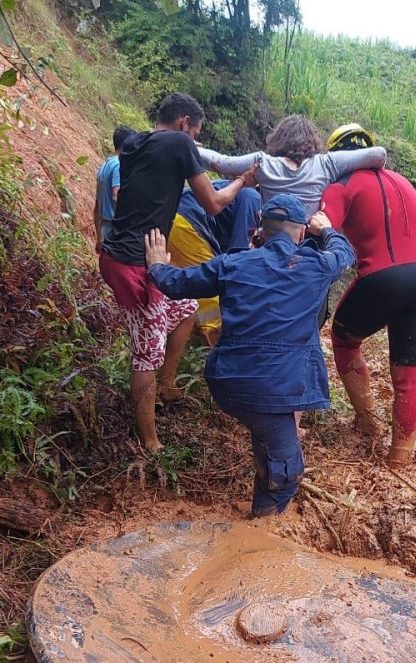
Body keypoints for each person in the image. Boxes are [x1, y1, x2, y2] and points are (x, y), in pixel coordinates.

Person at [145, 194, 355, 516]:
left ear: (262, 231)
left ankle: (267, 469)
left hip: (227, 381)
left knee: (270, 432)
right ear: (300, 233)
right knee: (284, 477)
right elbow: (344, 253)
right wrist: (326, 229)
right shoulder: (316, 266)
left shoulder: (232, 263)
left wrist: (157, 264)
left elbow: (176, 283)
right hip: (274, 387)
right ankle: (258, 538)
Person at [100, 92, 258, 453]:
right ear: (185, 122)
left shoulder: (134, 143)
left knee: (186, 307)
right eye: (194, 132)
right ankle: (150, 441)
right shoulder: (177, 143)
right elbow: (215, 205)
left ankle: (167, 384)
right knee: (146, 350)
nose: (193, 139)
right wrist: (242, 181)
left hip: (124, 253)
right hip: (134, 262)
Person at [320, 123, 416, 469]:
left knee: (343, 338)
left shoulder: (341, 185)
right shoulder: (404, 182)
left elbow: (323, 230)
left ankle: (367, 421)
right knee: (407, 375)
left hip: (377, 279)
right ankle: (400, 459)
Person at [196, 116, 387, 219]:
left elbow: (221, 163)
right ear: (312, 141)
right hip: (308, 246)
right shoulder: (327, 164)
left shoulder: (263, 163)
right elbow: (379, 154)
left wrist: (185, 145)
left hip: (269, 242)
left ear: (279, 139)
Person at [167, 181, 261, 344]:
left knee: (187, 291)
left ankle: (189, 337)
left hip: (171, 219)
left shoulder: (234, 191)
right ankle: (216, 349)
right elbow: (238, 253)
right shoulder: (252, 197)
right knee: (211, 298)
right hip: (186, 224)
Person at [93, 126, 131, 253]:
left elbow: (97, 205)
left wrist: (99, 237)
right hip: (115, 229)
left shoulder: (105, 164)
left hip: (104, 227)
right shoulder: (119, 165)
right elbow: (116, 195)